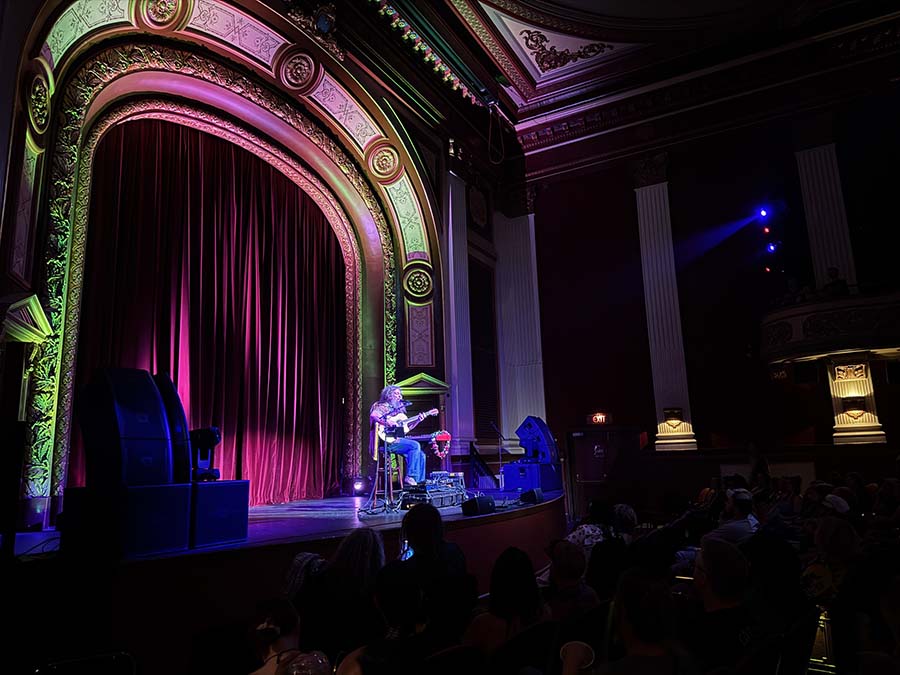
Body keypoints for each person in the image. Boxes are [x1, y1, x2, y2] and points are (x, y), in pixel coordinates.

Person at [369, 385, 431, 485]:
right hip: (386, 442)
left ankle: (418, 483)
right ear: (389, 395)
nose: (399, 396)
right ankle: (410, 476)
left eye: (400, 394)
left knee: (421, 454)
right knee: (415, 445)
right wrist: (387, 422)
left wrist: (418, 421)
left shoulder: (399, 412)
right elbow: (374, 415)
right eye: (396, 394)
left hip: (397, 440)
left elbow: (407, 429)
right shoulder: (382, 406)